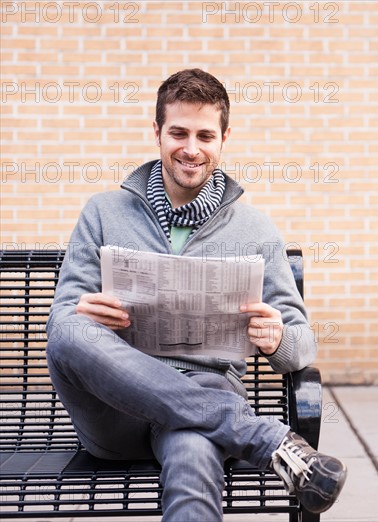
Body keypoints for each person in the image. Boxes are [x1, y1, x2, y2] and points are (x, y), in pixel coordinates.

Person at [46, 68, 347, 521]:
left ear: (225, 137)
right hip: (113, 412)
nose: (191, 148)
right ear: (157, 133)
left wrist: (276, 337)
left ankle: (232, 427)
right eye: (178, 133)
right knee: (70, 331)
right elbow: (60, 328)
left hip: (201, 399)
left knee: (194, 447)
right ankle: (266, 439)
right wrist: (82, 311)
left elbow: (303, 344)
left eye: (205, 135)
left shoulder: (256, 230)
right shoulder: (103, 212)